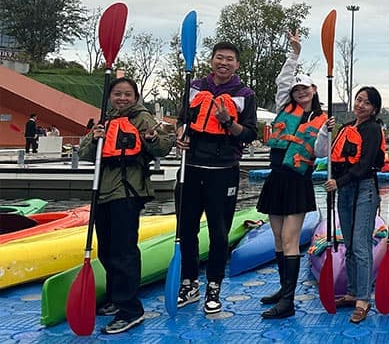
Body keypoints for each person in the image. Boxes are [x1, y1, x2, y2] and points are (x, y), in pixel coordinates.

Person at [79, 78, 174, 334]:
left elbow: (164, 147)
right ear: (110, 96)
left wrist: (153, 139)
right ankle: (114, 297)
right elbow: (84, 154)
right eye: (118, 94)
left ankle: (131, 310)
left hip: (128, 191)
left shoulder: (142, 118)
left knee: (124, 252)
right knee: (107, 251)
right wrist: (93, 138)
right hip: (104, 192)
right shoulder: (104, 119)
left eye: (128, 94)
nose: (122, 98)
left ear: (135, 97)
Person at [175, 42, 258, 315]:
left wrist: (227, 122)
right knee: (186, 229)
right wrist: (179, 136)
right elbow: (182, 120)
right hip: (192, 166)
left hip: (223, 171)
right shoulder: (195, 86)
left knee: (219, 232)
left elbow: (249, 134)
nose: (224, 63)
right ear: (211, 61)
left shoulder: (245, 94)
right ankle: (189, 283)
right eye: (219, 58)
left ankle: (214, 285)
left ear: (237, 64)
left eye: (230, 59)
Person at [256, 30, 328, 319]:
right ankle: (283, 288)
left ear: (314, 91)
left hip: (298, 181)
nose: (300, 92)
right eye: (297, 90)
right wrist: (293, 54)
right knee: (276, 239)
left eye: (305, 89)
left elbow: (322, 153)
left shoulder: (322, 120)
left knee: (289, 239)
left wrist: (326, 132)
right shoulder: (285, 107)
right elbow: (283, 81)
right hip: (276, 177)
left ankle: (288, 301)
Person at [324, 86, 385, 324]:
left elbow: (365, 164)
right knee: (349, 244)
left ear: (374, 108)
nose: (361, 105)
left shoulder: (372, 129)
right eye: (359, 100)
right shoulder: (347, 127)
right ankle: (351, 292)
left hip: (364, 190)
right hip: (345, 190)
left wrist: (338, 182)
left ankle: (363, 299)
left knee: (360, 245)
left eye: (367, 103)